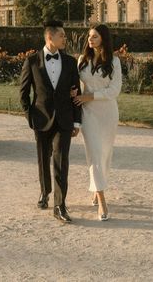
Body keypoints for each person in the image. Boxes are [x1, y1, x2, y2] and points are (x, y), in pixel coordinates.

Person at [19, 20, 82, 223]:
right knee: (43, 158)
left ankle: (59, 205)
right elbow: (23, 93)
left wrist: (77, 121)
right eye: (62, 35)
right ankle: (44, 191)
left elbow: (76, 93)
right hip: (40, 119)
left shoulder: (71, 62)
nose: (65, 38)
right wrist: (30, 116)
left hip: (64, 120)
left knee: (61, 161)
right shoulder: (31, 61)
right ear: (50, 37)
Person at [72, 23, 122, 221]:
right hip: (88, 114)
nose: (90, 40)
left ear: (103, 39)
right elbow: (75, 86)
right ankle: (102, 200)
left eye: (94, 37)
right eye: (89, 36)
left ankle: (96, 188)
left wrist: (91, 96)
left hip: (108, 113)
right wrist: (77, 97)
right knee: (94, 154)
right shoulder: (82, 60)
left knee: (105, 154)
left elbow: (114, 90)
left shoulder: (114, 62)